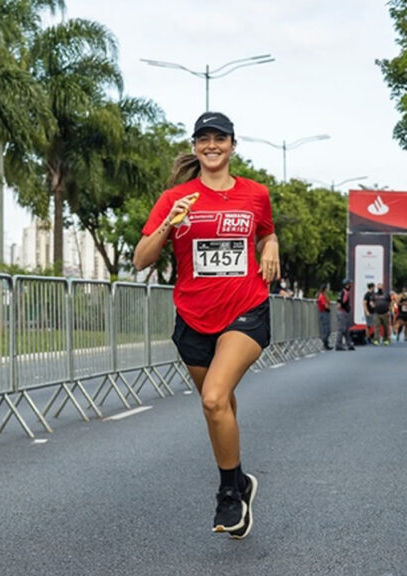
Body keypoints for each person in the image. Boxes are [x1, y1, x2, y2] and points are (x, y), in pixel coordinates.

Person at [132, 111, 276, 539]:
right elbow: (141, 259)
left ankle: (229, 493)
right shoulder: (176, 198)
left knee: (213, 399)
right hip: (194, 317)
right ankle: (242, 480)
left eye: (220, 138)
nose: (211, 145)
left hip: (245, 309)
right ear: (195, 147)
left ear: (233, 145)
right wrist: (167, 224)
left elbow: (265, 231)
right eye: (203, 139)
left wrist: (271, 247)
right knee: (222, 406)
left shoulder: (255, 194)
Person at [336, 279, 355, 351]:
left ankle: (349, 344)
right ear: (347, 284)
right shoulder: (344, 292)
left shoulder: (344, 292)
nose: (351, 285)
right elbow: (341, 302)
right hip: (342, 312)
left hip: (344, 312)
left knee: (346, 329)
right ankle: (338, 344)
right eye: (350, 284)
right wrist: (346, 307)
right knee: (341, 329)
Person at [316, 285, 331, 350]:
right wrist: (327, 305)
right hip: (324, 313)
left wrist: (326, 296)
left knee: (327, 329)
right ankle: (324, 342)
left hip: (325, 313)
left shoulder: (324, 296)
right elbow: (326, 305)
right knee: (326, 329)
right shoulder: (321, 296)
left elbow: (329, 302)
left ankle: (326, 343)